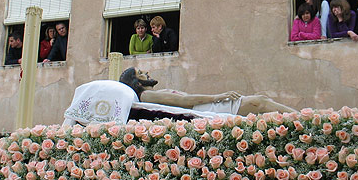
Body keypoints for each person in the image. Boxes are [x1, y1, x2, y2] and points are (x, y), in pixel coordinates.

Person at [121, 67, 297, 114]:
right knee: (260, 102)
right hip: (206, 110)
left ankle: (301, 116)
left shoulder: (152, 94)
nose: (147, 73)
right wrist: (217, 97)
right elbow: (185, 101)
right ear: (136, 82)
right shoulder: (146, 95)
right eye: (141, 73)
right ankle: (303, 117)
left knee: (262, 101)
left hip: (206, 108)